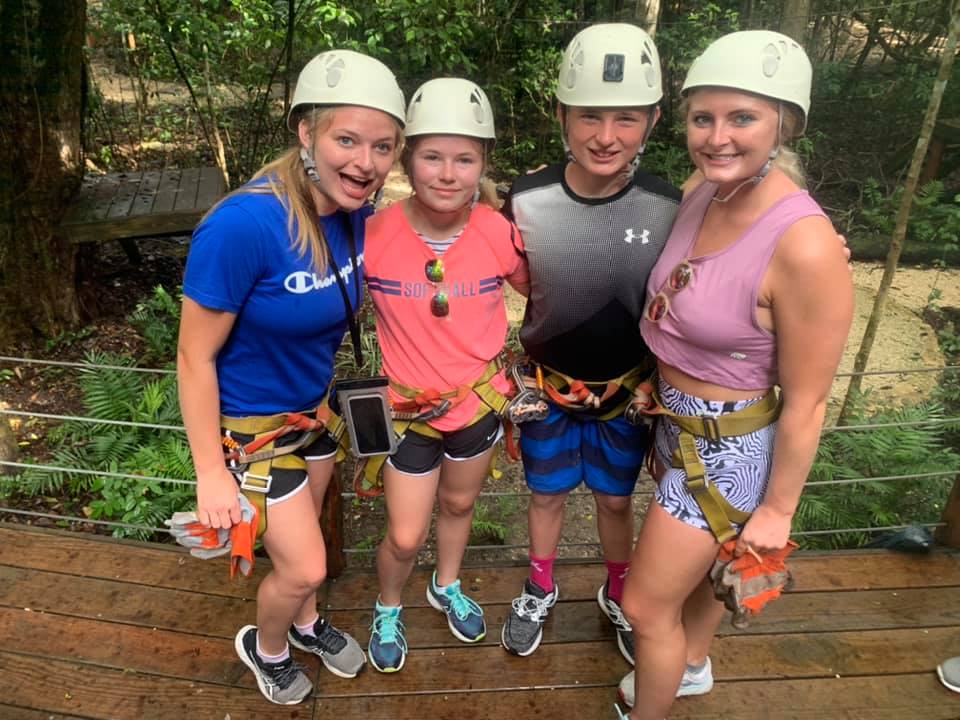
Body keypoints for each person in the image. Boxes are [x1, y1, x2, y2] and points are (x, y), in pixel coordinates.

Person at [618, 31, 854, 719]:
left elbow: (807, 403)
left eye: (741, 118)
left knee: (643, 604)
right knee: (687, 578)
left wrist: (777, 513)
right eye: (702, 118)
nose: (716, 137)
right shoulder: (705, 190)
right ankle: (689, 663)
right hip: (675, 422)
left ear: (785, 123)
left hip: (730, 450)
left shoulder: (805, 245)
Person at [176, 50, 405, 704]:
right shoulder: (244, 226)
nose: (366, 162)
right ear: (305, 132)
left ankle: (304, 624)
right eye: (347, 140)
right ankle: (266, 646)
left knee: (312, 544)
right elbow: (193, 356)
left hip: (313, 413)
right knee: (305, 564)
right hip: (252, 429)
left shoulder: (356, 210)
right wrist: (209, 472)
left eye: (383, 146)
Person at [499, 23, 681, 664]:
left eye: (627, 119)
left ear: (653, 121)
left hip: (627, 390)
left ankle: (619, 591)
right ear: (561, 115)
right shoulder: (525, 199)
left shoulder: (670, 206)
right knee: (546, 494)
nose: (607, 136)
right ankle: (540, 585)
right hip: (549, 384)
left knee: (612, 498)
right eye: (589, 117)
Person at [362, 78, 529, 673]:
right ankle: (388, 605)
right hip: (407, 416)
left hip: (478, 405)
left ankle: (447, 583)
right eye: (432, 156)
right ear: (408, 158)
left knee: (459, 508)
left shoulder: (497, 232)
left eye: (465, 158)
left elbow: (548, 294)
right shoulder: (374, 235)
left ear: (483, 163)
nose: (448, 173)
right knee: (405, 535)